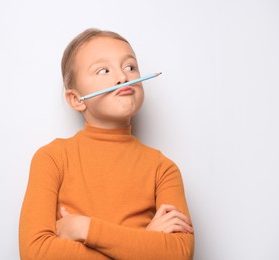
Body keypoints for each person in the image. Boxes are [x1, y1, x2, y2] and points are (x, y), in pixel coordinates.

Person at [19, 28, 194, 259]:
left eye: (130, 67)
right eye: (103, 70)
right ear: (76, 99)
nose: (123, 77)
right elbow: (36, 252)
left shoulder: (163, 169)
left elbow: (179, 253)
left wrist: (85, 228)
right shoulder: (52, 158)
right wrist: (143, 244)